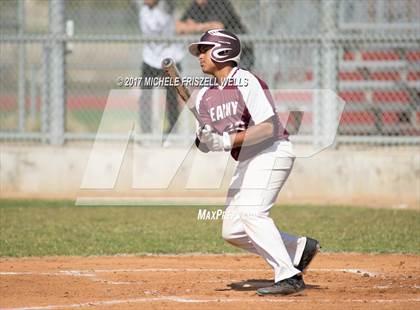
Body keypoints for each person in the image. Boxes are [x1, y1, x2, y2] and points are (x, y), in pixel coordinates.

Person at [189, 29, 320, 295]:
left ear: (222, 50)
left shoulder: (245, 80)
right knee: (233, 230)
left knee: (251, 212)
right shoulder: (204, 95)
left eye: (205, 49)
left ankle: (288, 275)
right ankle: (297, 247)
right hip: (247, 162)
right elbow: (205, 144)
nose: (200, 56)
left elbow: (268, 127)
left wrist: (224, 142)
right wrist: (204, 138)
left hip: (272, 151)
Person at [138, 0, 184, 134]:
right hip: (150, 58)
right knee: (145, 94)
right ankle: (146, 130)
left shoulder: (166, 6)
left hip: (169, 58)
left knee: (172, 96)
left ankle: (172, 130)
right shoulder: (143, 8)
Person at [177, 0, 254, 70]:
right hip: (219, 52)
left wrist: (194, 26)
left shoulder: (219, 2)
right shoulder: (196, 5)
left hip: (239, 50)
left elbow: (217, 27)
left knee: (237, 81)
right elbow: (179, 27)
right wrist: (204, 26)